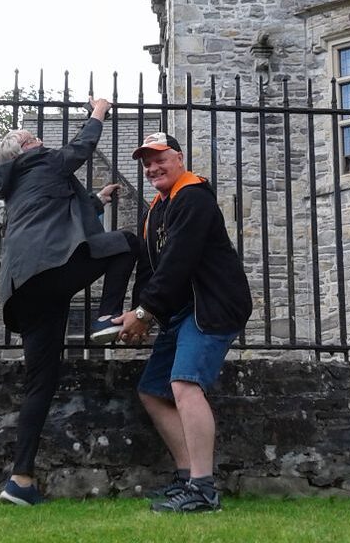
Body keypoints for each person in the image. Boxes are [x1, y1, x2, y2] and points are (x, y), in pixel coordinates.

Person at [0, 97, 138, 506]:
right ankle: (108, 314)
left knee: (41, 383)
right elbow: (78, 150)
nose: (41, 140)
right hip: (47, 270)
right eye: (34, 138)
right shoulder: (41, 163)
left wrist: (97, 201)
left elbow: (55, 211)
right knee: (126, 243)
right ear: (25, 149)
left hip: (24, 292)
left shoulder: (18, 183)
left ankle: (19, 480)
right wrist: (98, 112)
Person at [112, 131, 253, 513]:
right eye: (146, 163)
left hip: (212, 305)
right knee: (153, 390)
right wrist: (134, 313)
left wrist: (144, 314)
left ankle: (204, 490)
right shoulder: (156, 208)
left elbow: (178, 262)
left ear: (179, 158)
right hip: (180, 309)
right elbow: (149, 267)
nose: (153, 168)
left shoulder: (193, 197)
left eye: (160, 159)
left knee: (184, 384)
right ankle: (186, 477)